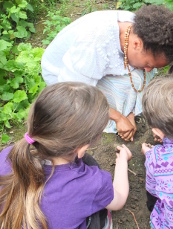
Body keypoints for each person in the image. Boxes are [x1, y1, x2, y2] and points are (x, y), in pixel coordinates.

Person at [0, 82, 132, 229]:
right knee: (92, 175)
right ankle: (101, 227)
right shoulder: (90, 183)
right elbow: (119, 199)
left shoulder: (9, 154)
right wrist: (121, 162)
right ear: (82, 148)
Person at [41, 5, 173, 141]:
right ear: (136, 44)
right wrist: (118, 117)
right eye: (148, 64)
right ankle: (118, 115)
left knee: (141, 76)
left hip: (90, 66)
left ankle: (129, 111)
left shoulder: (143, 31)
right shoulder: (93, 45)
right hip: (65, 79)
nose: (150, 70)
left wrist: (130, 115)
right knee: (128, 83)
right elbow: (77, 93)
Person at [141, 75, 173, 229]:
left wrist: (149, 154)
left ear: (158, 132)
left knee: (155, 208)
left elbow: (152, 190)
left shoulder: (156, 159)